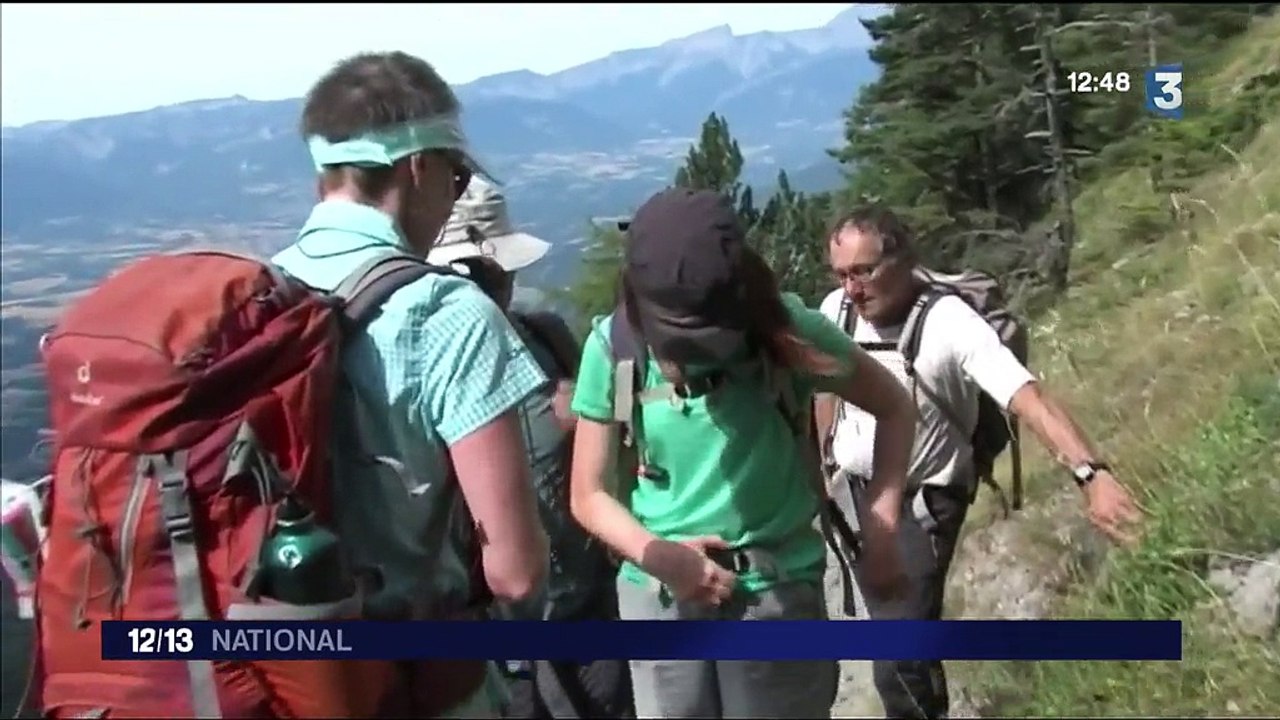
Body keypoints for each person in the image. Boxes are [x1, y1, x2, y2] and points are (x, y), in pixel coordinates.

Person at [566, 187, 919, 719]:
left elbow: (894, 407)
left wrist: (881, 523)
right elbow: (588, 494)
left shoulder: (788, 333)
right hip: (660, 597)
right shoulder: (613, 351)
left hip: (772, 594)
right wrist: (662, 557)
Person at [271, 51, 550, 718]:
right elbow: (515, 572)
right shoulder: (448, 313)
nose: (453, 194)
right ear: (419, 168)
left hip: (286, 682)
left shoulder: (262, 297)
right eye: (456, 177)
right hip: (417, 686)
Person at [814, 206, 1145, 720]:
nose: (853, 289)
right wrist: (822, 453)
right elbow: (827, 385)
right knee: (904, 636)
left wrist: (1090, 474)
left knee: (896, 658)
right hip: (858, 496)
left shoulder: (950, 323)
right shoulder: (836, 310)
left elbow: (1029, 399)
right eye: (842, 274)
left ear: (904, 260)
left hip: (924, 504)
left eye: (865, 271)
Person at [428, 180, 635, 719]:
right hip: (494, 622)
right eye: (487, 271)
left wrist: (593, 414)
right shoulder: (429, 368)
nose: (501, 282)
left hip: (583, 599)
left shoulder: (545, 335)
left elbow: (621, 424)